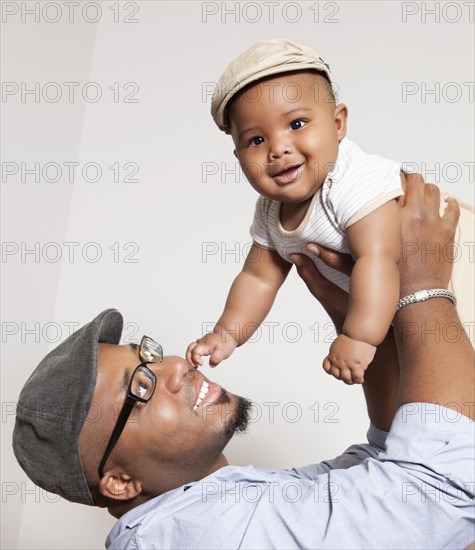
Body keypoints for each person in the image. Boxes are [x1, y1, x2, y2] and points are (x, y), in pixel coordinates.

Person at [13, 175, 474, 548]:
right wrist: (421, 284)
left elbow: (388, 459)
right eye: (140, 388)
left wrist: (359, 318)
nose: (174, 367)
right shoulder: (188, 536)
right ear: (119, 483)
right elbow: (445, 487)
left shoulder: (215, 506)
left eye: (148, 355)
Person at [187, 38, 474, 384]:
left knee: (446, 375)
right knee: (415, 382)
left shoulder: (353, 180)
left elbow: (378, 258)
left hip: (456, 267)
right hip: (397, 300)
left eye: (296, 124)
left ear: (338, 124)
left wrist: (358, 337)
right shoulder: (269, 210)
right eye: (256, 140)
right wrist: (226, 334)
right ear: (238, 157)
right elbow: (258, 277)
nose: (278, 149)